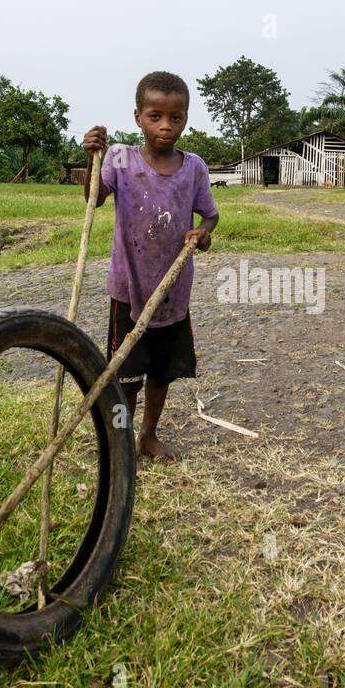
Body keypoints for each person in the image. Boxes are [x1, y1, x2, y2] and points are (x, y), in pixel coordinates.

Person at [82, 71, 219, 461]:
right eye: (155, 116)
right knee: (125, 376)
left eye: (175, 117)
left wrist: (202, 234)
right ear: (138, 116)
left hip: (172, 291)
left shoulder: (194, 168)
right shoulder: (120, 159)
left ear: (186, 119)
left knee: (162, 371)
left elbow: (209, 216)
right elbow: (95, 199)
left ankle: (148, 435)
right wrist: (90, 158)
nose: (165, 126)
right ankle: (121, 441)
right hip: (129, 289)